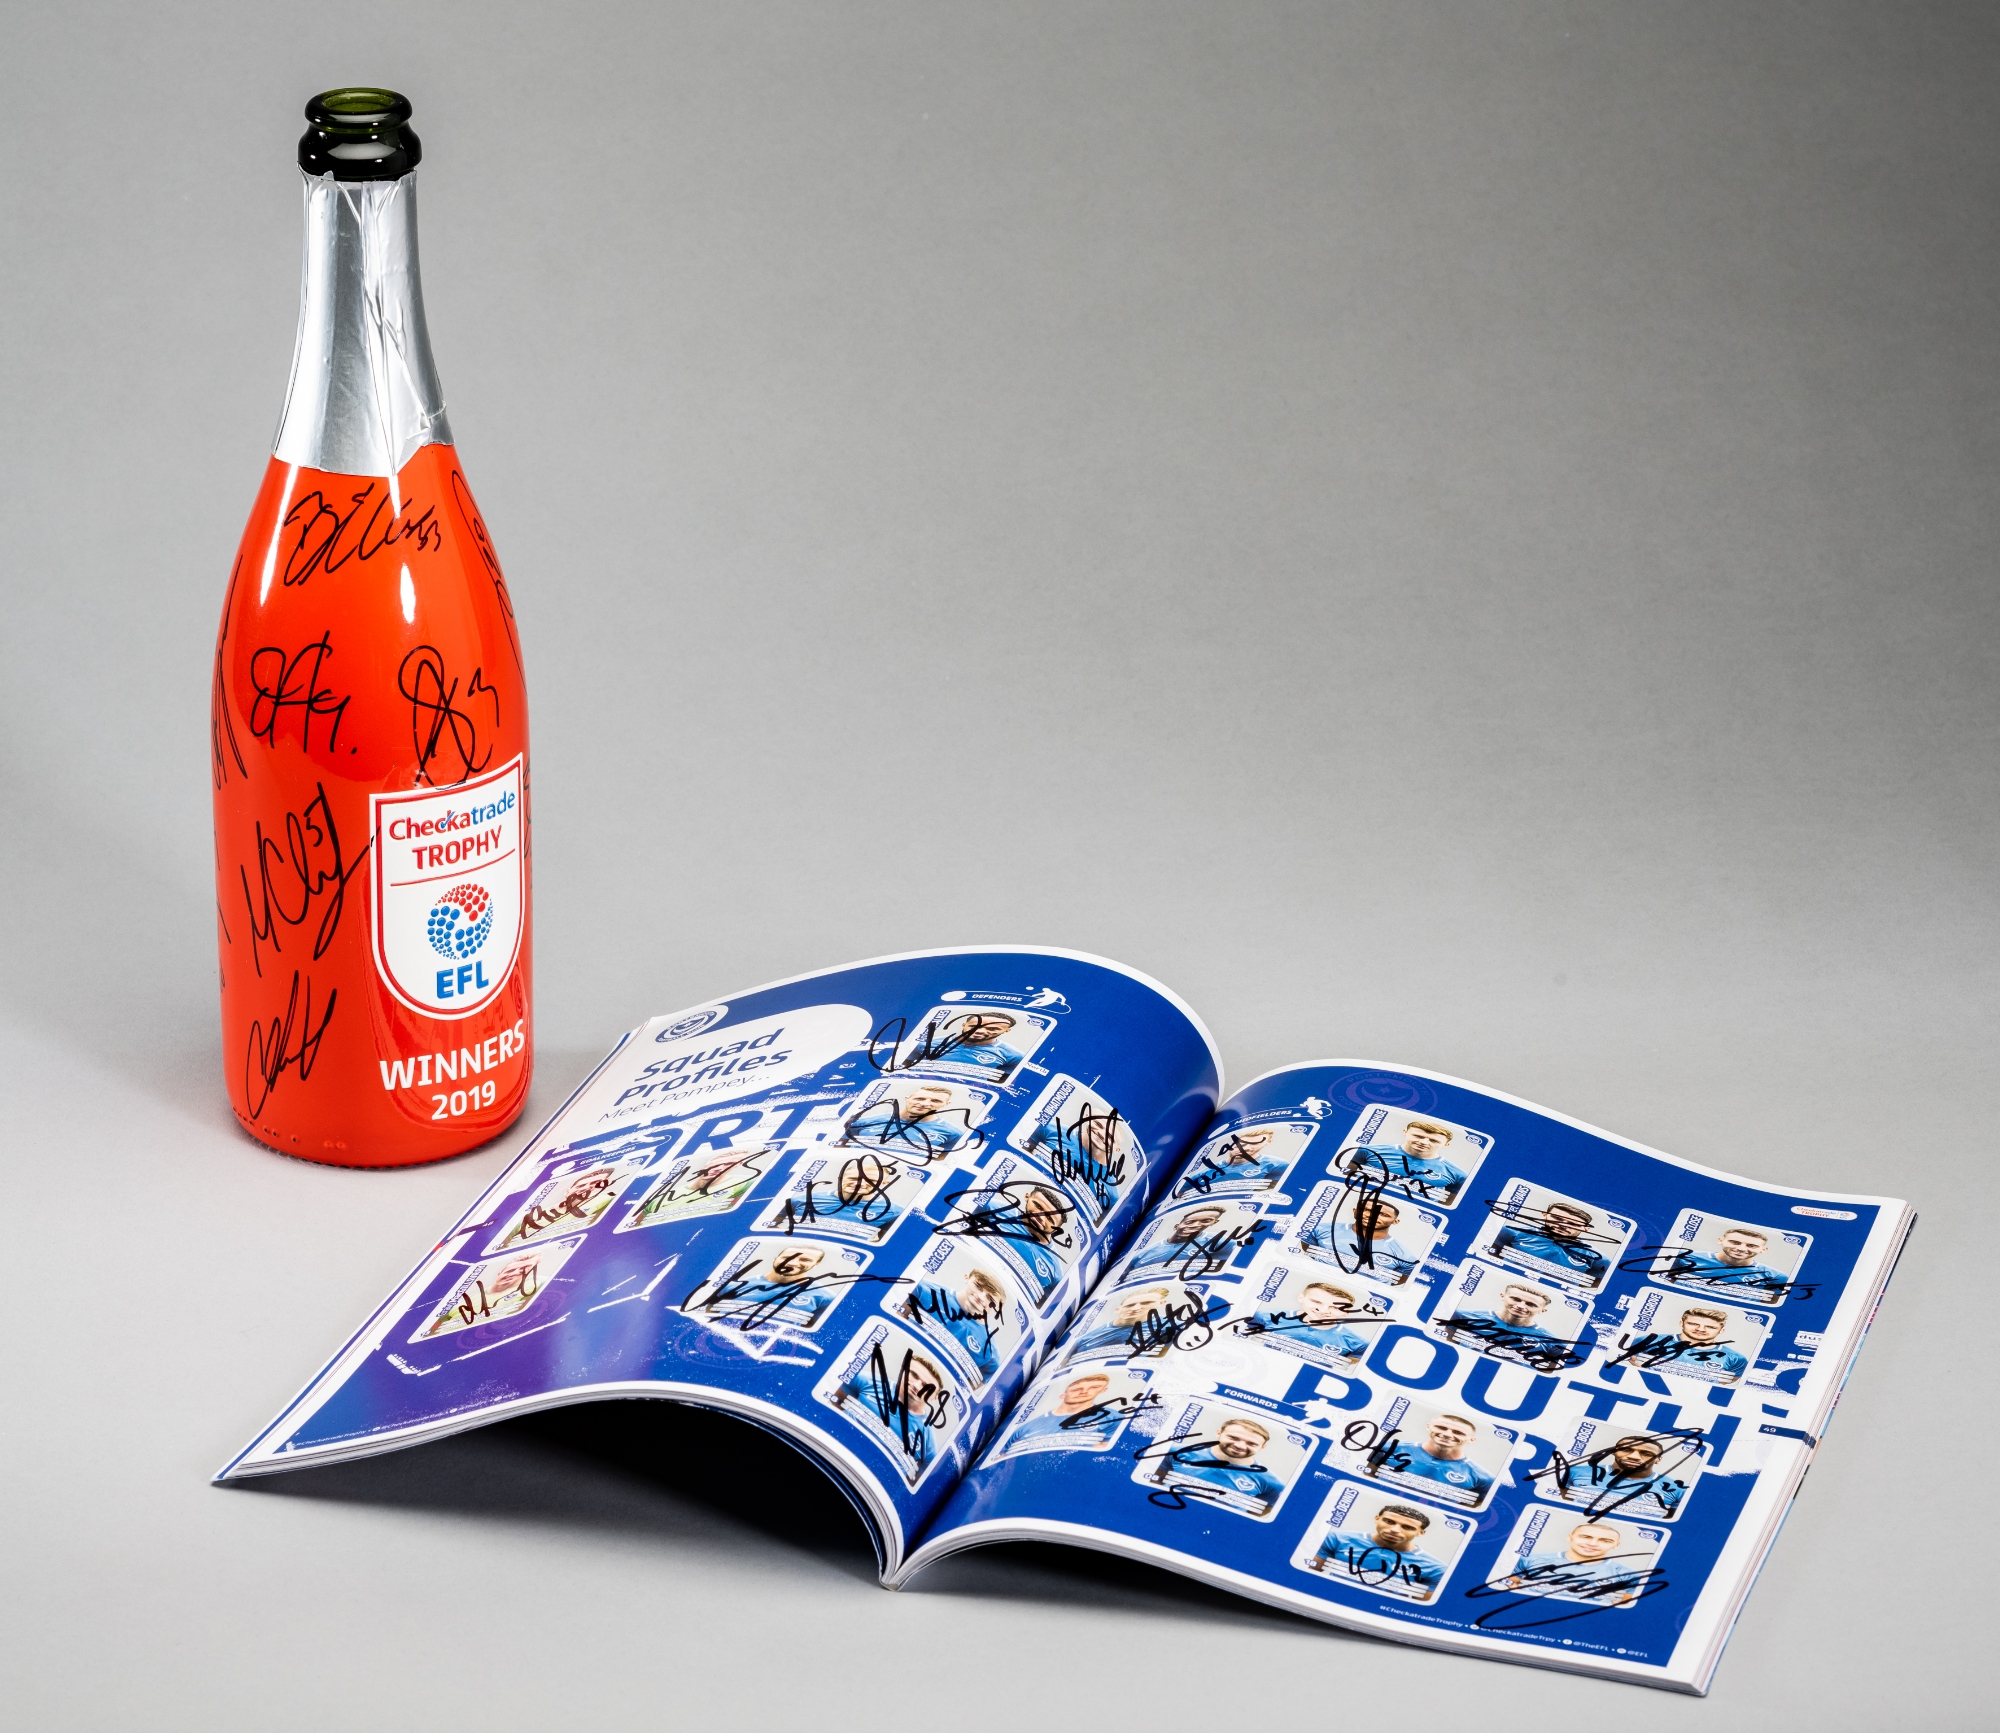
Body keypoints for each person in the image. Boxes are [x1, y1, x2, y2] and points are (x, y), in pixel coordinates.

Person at [833, 1347, 951, 1478]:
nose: (917, 1386)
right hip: (833, 1452)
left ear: (935, 1397)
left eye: (927, 1387)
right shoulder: (869, 1381)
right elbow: (835, 1398)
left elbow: (922, 1478)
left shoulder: (927, 1439)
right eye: (914, 1375)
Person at [1306, 1502, 1448, 1599]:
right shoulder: (1336, 1538)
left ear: (1421, 1533)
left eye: (1407, 1527)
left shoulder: (1436, 1568)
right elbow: (1308, 1576)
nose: (1394, 1529)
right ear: (1377, 1518)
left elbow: (1419, 1609)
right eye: (1389, 1521)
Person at [1154, 1416, 1289, 1513]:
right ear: (1218, 1433)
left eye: (1251, 1443)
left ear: (1263, 1447)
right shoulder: (1176, 1451)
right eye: (1233, 1438)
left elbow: (1263, 1510)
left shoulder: (1271, 1482)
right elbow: (1155, 1480)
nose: (1240, 1446)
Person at [902, 1265, 1009, 1383]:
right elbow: (896, 1317)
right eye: (978, 1286)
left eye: (990, 1299)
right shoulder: (922, 1290)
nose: (981, 1297)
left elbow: (966, 1388)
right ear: (966, 1278)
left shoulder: (990, 1354)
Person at [1508, 1520, 1651, 1605]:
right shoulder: (1531, 1559)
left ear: (1616, 1545)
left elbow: (1627, 1602)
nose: (1593, 1543)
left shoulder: (1627, 1574)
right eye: (1586, 1537)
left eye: (1605, 1541)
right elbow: (1509, 1583)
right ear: (1570, 1537)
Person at [1550, 1434, 1691, 1519]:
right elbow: (1564, 1499)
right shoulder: (1574, 1472)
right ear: (1614, 1451)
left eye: (1646, 1454)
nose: (1634, 1456)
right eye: (1626, 1450)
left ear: (1658, 1459)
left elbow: (1670, 1519)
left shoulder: (1677, 1489)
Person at [1438, 1281, 1573, 1366]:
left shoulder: (1553, 1342)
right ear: (1503, 1296)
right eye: (1515, 1299)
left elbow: (1548, 1373)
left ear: (1542, 1310)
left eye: (1531, 1304)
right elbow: (1447, 1345)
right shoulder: (1462, 1316)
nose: (1521, 1306)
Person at [1373, 1413, 1494, 1505]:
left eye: (1458, 1432)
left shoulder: (1483, 1477)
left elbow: (1471, 1507)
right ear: (1428, 1427)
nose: (1447, 1434)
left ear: (1471, 1440)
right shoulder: (1388, 1447)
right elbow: (1368, 1474)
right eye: (1441, 1427)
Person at [1340, 1119, 1468, 1204]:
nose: (1423, 1142)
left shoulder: (1458, 1175)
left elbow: (1447, 1205)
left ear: (1446, 1144)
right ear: (1405, 1132)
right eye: (1418, 1136)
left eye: (1433, 1140)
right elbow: (1342, 1179)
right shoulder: (1366, 1151)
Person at [706, 1244, 833, 1329]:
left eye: (805, 1260)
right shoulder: (732, 1286)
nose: (793, 1263)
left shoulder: (825, 1297)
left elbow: (811, 1330)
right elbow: (708, 1316)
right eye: (787, 1257)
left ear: (816, 1264)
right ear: (775, 1258)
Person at [630, 1147, 767, 1226]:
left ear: (736, 1166)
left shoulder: (744, 1184)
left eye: (729, 1164)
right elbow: (635, 1226)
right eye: (717, 1163)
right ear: (706, 1164)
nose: (720, 1168)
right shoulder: (660, 1198)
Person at [1489, 1199, 1609, 1286]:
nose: (1562, 1225)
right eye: (1557, 1218)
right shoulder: (1511, 1231)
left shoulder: (1598, 1258)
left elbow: (1595, 1283)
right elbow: (1492, 1254)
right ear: (1545, 1215)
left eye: (1573, 1224)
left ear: (1586, 1228)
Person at [1304, 1195, 1422, 1281]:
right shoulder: (1321, 1229)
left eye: (1383, 1214)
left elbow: (1398, 1280)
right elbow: (1307, 1248)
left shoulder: (1405, 1256)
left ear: (1395, 1221)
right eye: (1367, 1210)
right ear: (1355, 1211)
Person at [1615, 1306, 1748, 1382]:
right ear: (1681, 1323)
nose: (1701, 1329)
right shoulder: (1649, 1341)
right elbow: (1627, 1362)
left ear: (1721, 1330)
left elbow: (1725, 1382)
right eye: (1693, 1324)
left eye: (1710, 1327)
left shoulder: (1736, 1358)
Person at [423, 1252, 543, 1335]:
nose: (514, 1273)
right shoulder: (460, 1302)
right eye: (510, 1270)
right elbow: (432, 1328)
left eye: (523, 1271)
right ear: (499, 1273)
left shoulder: (534, 1285)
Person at [841, 1084, 969, 1162]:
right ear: (907, 1099)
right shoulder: (864, 1121)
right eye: (920, 1098)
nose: (925, 1103)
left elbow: (943, 1157)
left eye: (935, 1101)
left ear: (946, 1104)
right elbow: (840, 1145)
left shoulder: (953, 1133)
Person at [1246, 1282, 1370, 1361]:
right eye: (1316, 1302)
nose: (1323, 1310)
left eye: (1336, 1307)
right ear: (1301, 1298)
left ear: (1347, 1312)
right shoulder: (1263, 1317)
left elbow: (1349, 1364)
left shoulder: (1358, 1344)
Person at [1666, 1226, 1794, 1302]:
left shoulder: (1776, 1276)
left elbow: (1770, 1303)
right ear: (1720, 1240)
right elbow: (1666, 1282)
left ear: (1763, 1249)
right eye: (1735, 1242)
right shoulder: (1683, 1256)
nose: (1741, 1248)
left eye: (1751, 1245)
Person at [499, 1166, 618, 1245]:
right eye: (581, 1186)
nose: (586, 1188)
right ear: (567, 1191)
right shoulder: (531, 1217)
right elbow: (501, 1243)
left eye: (596, 1184)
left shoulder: (606, 1200)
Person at [1002, 1372, 1123, 1449]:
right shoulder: (1026, 1427)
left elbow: (1111, 1448)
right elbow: (1003, 1455)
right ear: (1062, 1395)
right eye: (1077, 1389)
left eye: (1093, 1387)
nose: (1084, 1392)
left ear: (1103, 1390)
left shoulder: (1113, 1417)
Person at [1066, 1286, 1175, 1358]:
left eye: (1146, 1303)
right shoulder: (1085, 1339)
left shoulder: (1171, 1326)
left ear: (1160, 1303)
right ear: (1117, 1309)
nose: (1135, 1308)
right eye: (1129, 1305)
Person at [1125, 1204, 1230, 1275]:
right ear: (1176, 1226)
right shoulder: (1144, 1253)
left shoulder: (1218, 1241)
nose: (1196, 1225)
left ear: (1214, 1223)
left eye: (1206, 1221)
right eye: (1189, 1222)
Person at [1185, 1125, 1290, 1190]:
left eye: (1255, 1143)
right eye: (1243, 1143)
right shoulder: (1202, 1174)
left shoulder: (1277, 1165)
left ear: (1269, 1142)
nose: (1246, 1148)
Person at [929, 1010, 1026, 1079]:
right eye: (974, 1026)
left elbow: (1004, 1082)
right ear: (964, 1025)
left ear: (1006, 1031)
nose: (979, 1031)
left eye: (992, 1029)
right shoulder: (927, 1043)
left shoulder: (1014, 1056)